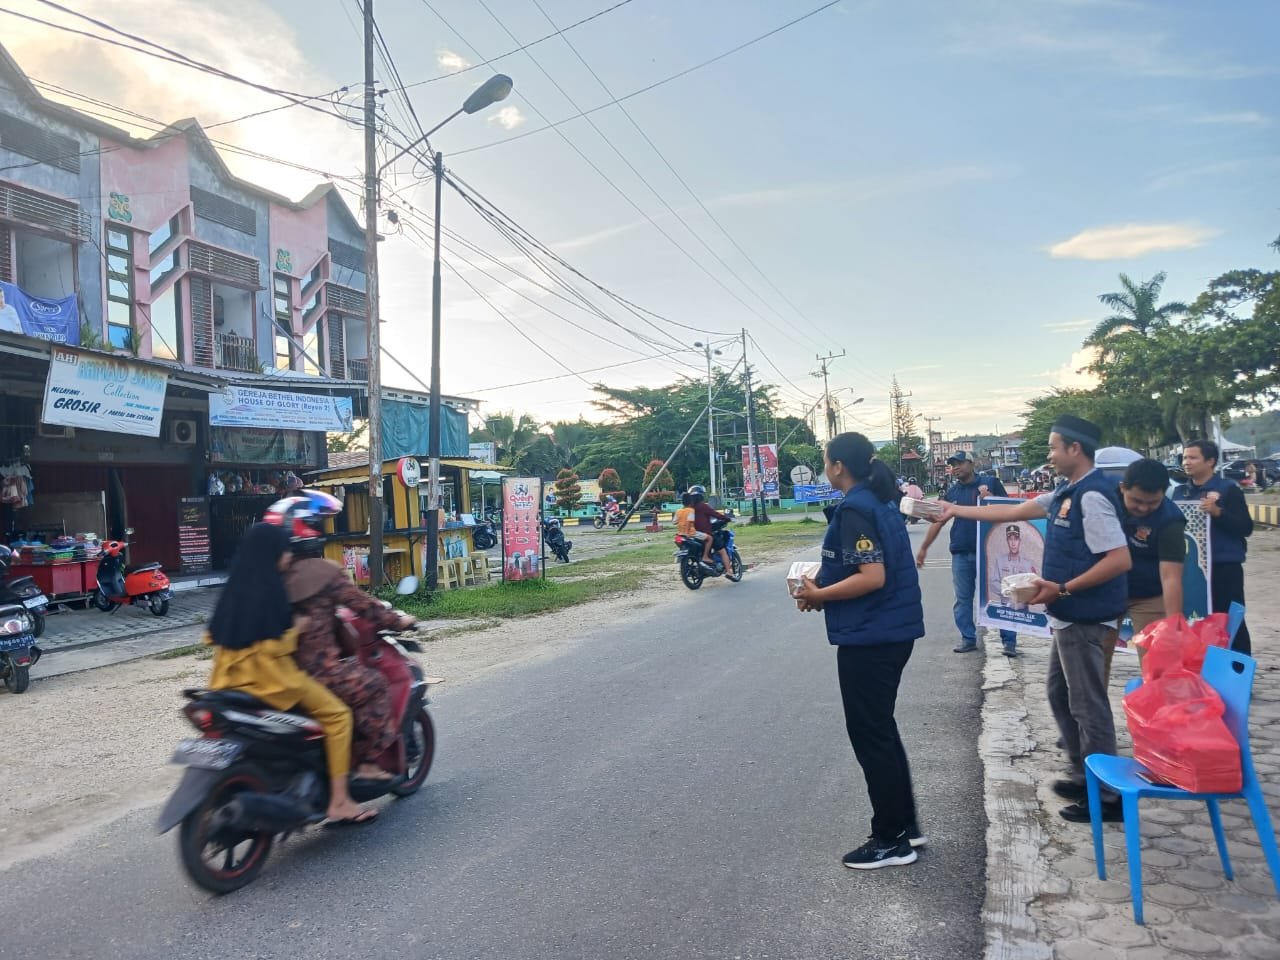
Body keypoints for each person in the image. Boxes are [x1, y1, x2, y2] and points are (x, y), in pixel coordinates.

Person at [940, 415, 1130, 823]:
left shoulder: (1092, 496)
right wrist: (953, 509)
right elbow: (1014, 511)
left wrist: (1063, 589)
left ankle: (1108, 797)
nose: (1049, 454)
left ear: (1074, 449)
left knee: (1088, 705)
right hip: (1067, 614)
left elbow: (1119, 559)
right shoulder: (1066, 490)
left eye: (1053, 446)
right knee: (1060, 696)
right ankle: (1083, 773)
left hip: (1086, 615)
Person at [793, 434, 926, 870]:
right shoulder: (879, 499)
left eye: (824, 461)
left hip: (872, 636)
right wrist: (825, 589)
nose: (823, 467)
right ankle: (905, 825)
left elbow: (872, 576)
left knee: (870, 734)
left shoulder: (856, 507)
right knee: (881, 729)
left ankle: (890, 839)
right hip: (888, 630)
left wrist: (822, 594)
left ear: (837, 467)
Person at [205, 523, 374, 824]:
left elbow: (211, 636)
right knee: (338, 717)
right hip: (272, 681)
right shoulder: (270, 588)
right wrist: (298, 628)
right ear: (271, 552)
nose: (288, 556)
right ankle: (340, 801)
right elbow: (273, 649)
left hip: (226, 680)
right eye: (284, 550)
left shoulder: (236, 586)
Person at [266, 492, 416, 782]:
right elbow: (365, 606)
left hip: (272, 672)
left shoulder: (265, 576)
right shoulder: (324, 573)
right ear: (307, 529)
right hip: (319, 672)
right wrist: (400, 620)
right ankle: (366, 763)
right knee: (374, 684)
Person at [916, 450, 1020, 657]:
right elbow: (939, 521)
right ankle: (968, 638)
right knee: (963, 598)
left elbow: (1010, 511)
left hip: (991, 550)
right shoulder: (953, 492)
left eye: (960, 463)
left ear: (971, 464)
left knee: (1002, 596)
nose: (955, 468)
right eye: (952, 465)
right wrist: (924, 547)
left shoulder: (990, 482)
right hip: (962, 551)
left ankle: (1009, 641)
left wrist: (989, 498)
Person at [1107, 458, 1187, 680]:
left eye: (1152, 502)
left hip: (1148, 595)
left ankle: (1159, 711)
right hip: (1107, 590)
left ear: (1164, 492)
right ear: (1123, 488)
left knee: (1158, 666)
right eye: (1136, 500)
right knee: (1095, 662)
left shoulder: (1170, 521)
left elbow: (1170, 576)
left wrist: (1173, 626)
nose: (1143, 508)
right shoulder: (1105, 501)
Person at [1173, 440, 1254, 654]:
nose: (1186, 462)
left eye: (1193, 457)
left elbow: (1245, 527)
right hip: (1193, 567)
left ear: (1210, 461)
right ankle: (1200, 667)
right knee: (1196, 617)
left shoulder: (1228, 490)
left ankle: (1237, 670)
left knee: (1229, 619)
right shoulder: (1181, 493)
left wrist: (1219, 513)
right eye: (1184, 458)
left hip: (1224, 566)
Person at [988, 524, 1039, 611]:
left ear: (1019, 541)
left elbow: (1034, 585)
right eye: (1010, 539)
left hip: (1023, 609)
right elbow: (993, 583)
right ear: (1007, 541)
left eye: (1015, 539)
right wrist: (1009, 591)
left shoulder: (1027, 564)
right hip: (1005, 609)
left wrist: (1022, 592)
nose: (1013, 543)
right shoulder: (1000, 561)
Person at [689, 485, 732, 573]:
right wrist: (726, 518)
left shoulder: (689, 508)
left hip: (692, 534)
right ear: (701, 496)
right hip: (704, 534)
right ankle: (729, 572)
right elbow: (715, 514)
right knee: (723, 551)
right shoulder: (704, 506)